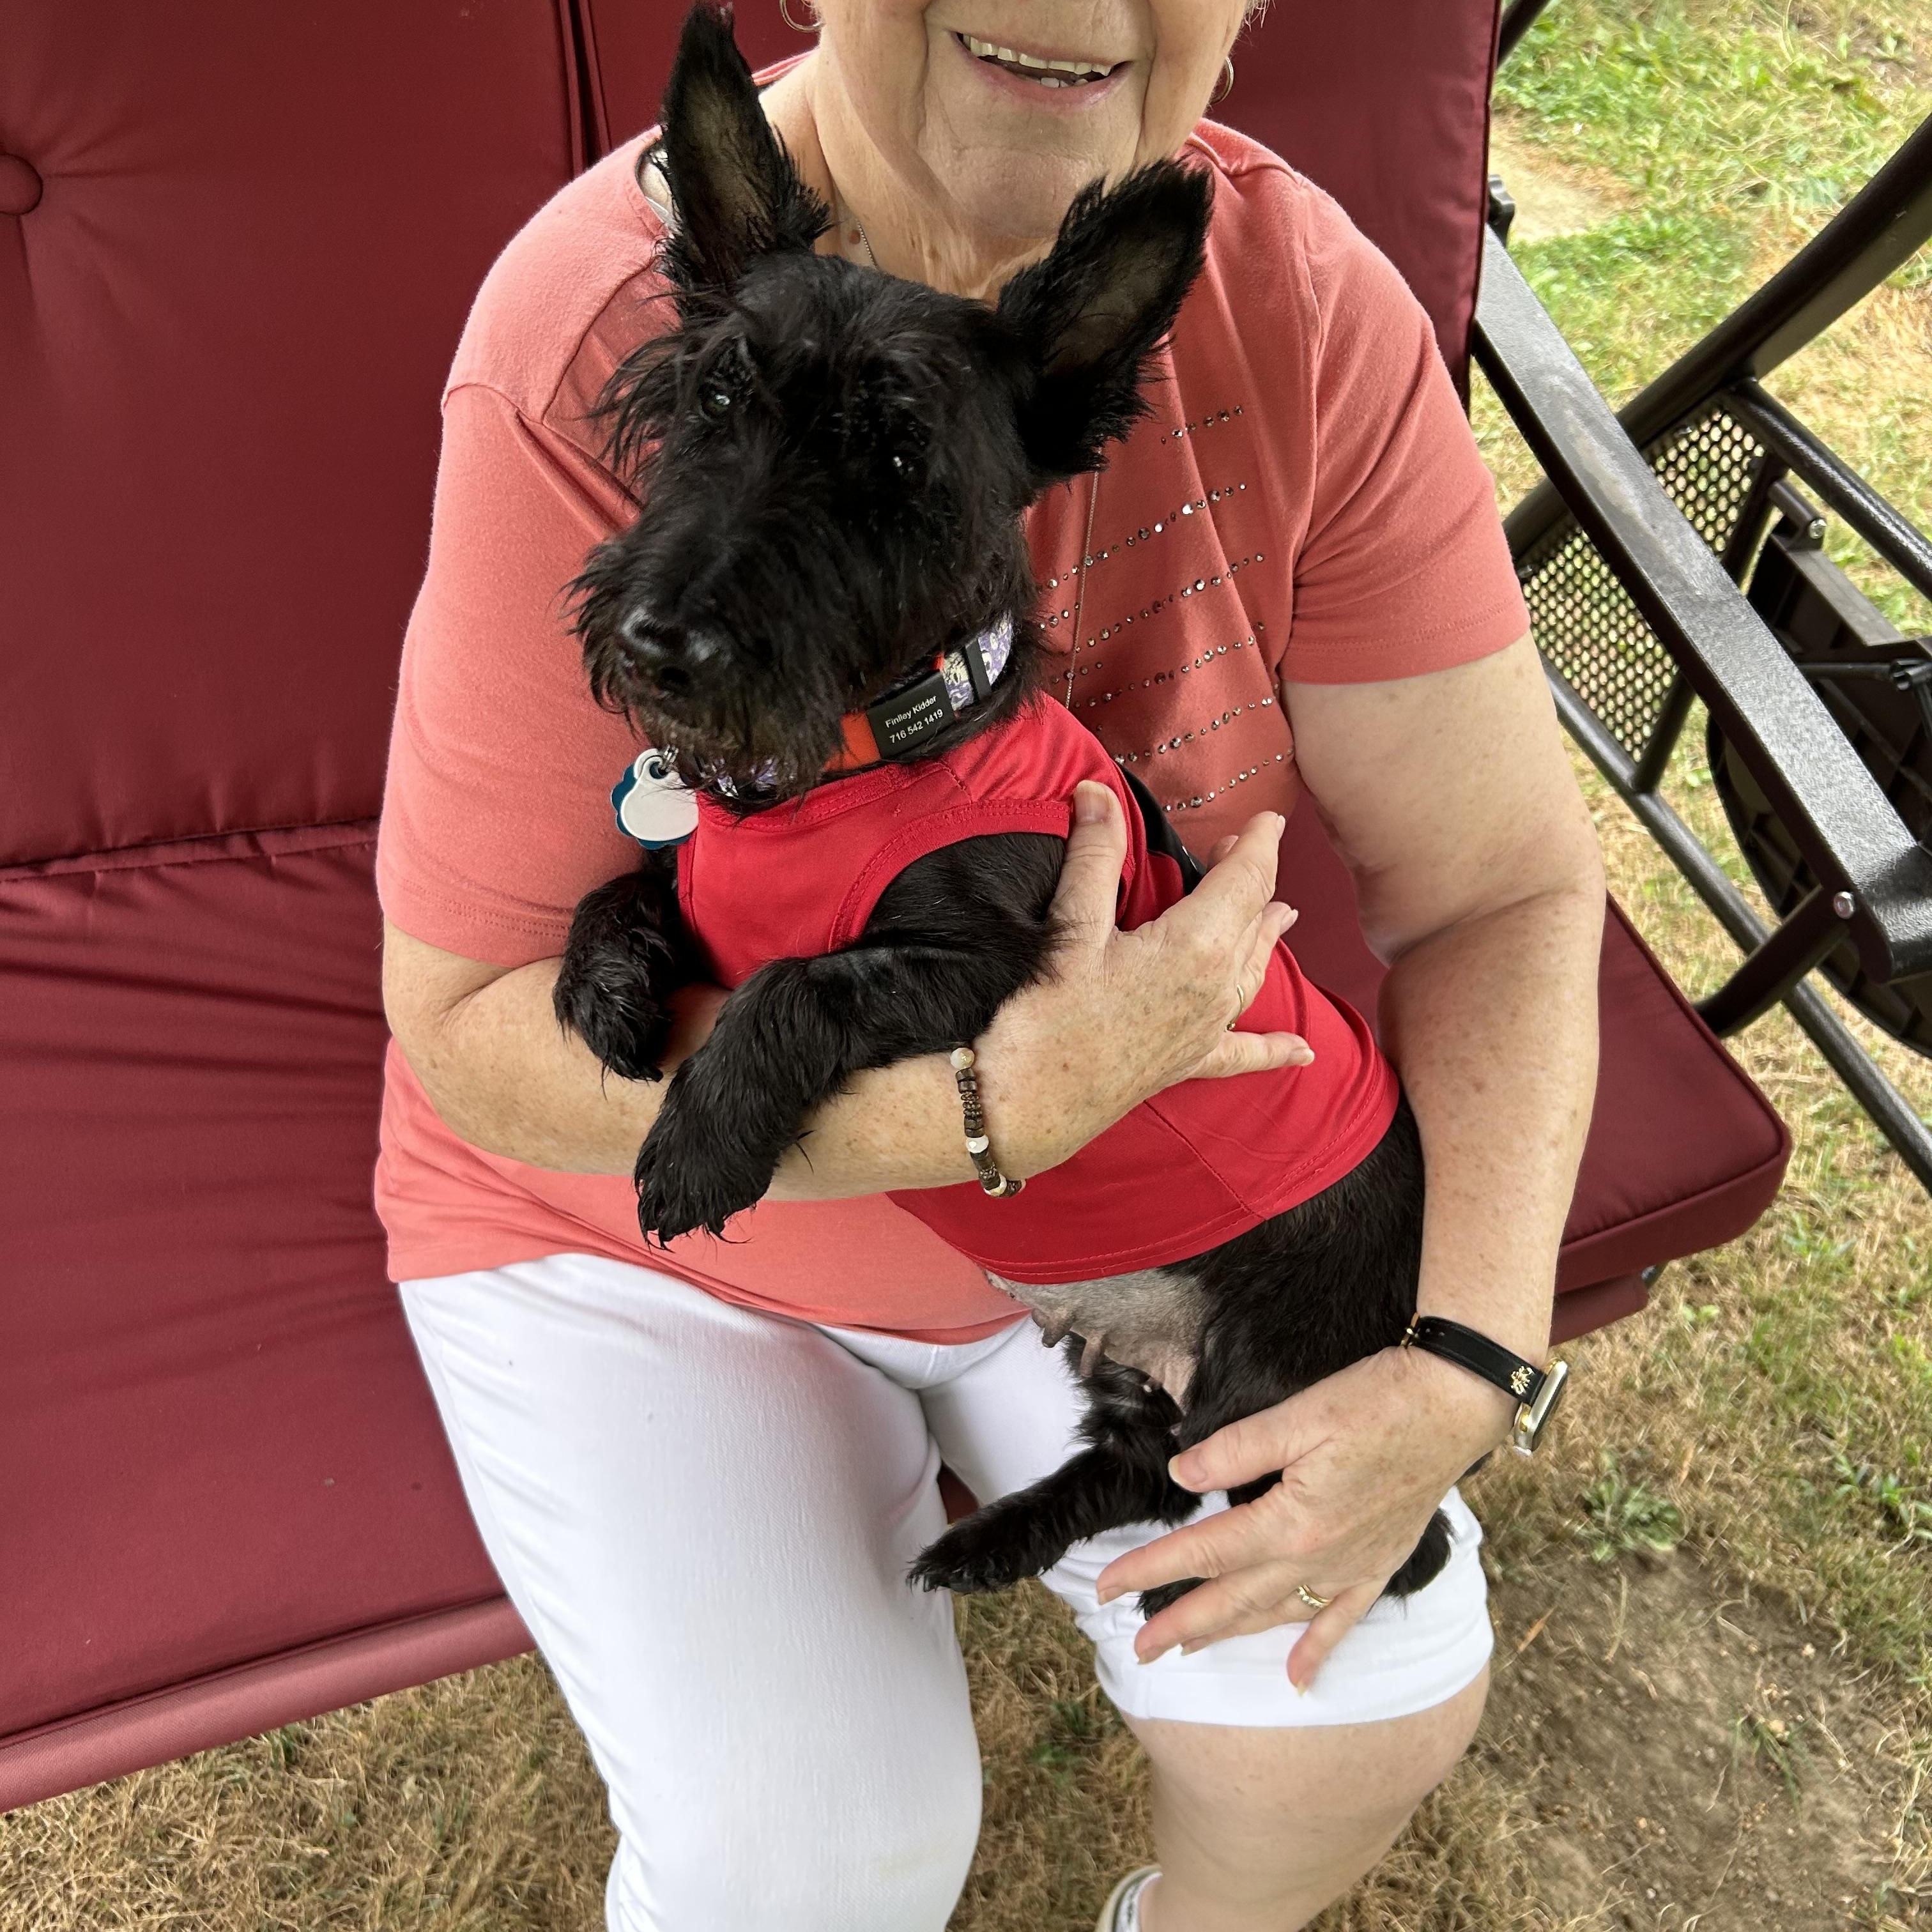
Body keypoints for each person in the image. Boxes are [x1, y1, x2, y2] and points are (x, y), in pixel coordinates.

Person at [375, 3, 1606, 1927]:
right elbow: (466, 1026)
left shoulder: (1304, 308)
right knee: (810, 1864)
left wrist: (1465, 1356)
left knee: (1363, 1701)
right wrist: (1003, 1102)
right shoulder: (577, 328)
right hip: (637, 1225)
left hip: (1128, 1232)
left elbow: (1510, 889)